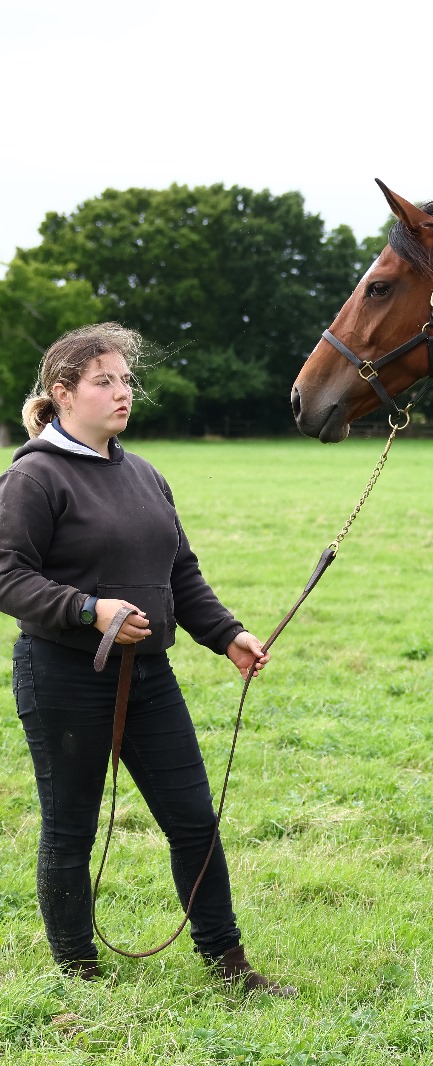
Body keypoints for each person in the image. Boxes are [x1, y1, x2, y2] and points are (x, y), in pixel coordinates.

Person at [0, 323, 292, 994]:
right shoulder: (34, 477)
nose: (122, 392)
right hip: (64, 678)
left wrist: (227, 635)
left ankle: (228, 963)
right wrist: (87, 608)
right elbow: (7, 574)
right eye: (104, 381)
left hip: (150, 678)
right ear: (62, 393)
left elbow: (180, 573)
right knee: (69, 829)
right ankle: (79, 972)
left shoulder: (144, 474)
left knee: (194, 819)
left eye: (126, 380)